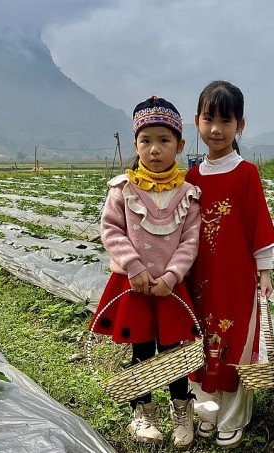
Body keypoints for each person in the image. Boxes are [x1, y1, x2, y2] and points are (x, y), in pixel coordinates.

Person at [88, 96, 201, 449]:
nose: (155, 149)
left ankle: (182, 410)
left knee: (173, 350)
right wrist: (134, 267)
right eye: (146, 140)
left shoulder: (188, 194)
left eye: (164, 140)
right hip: (133, 284)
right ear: (136, 143)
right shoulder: (122, 188)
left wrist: (171, 277)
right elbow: (111, 230)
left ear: (180, 146)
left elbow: (189, 242)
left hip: (170, 287)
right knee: (141, 351)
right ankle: (143, 412)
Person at [186, 80, 274, 449]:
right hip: (199, 279)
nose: (216, 129)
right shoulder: (190, 179)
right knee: (198, 344)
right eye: (210, 119)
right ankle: (205, 412)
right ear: (197, 122)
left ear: (241, 125)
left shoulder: (246, 174)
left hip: (238, 279)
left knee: (235, 345)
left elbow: (259, 224)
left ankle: (232, 417)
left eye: (226, 120)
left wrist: (265, 272)